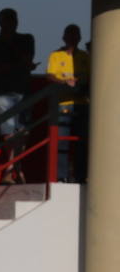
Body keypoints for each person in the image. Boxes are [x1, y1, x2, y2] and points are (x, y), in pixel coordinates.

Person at [0, 8, 37, 184]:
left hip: (21, 89)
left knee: (22, 131)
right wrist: (21, 65)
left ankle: (13, 168)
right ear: (0, 22)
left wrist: (17, 64)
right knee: (9, 132)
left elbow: (25, 60)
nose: (10, 23)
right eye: (7, 20)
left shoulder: (26, 39)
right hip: (2, 91)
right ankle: (14, 168)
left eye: (12, 20)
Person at [46, 23, 89, 183]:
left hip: (82, 103)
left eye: (75, 34)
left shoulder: (85, 57)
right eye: (69, 34)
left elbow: (92, 76)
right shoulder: (56, 55)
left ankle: (80, 176)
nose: (72, 37)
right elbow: (50, 76)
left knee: (82, 142)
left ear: (79, 37)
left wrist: (80, 83)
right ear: (64, 37)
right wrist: (65, 82)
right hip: (63, 103)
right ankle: (61, 176)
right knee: (61, 143)